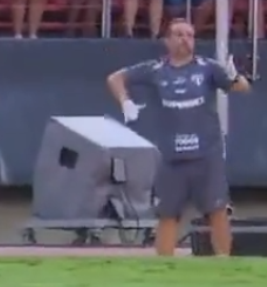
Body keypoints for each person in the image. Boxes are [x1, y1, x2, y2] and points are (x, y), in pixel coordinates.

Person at [106, 19, 250, 257]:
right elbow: (115, 78)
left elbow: (242, 87)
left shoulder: (207, 68)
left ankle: (224, 262)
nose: (185, 39)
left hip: (207, 155)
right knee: (167, 215)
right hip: (172, 157)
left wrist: (236, 76)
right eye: (179, 34)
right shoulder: (156, 70)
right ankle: (165, 265)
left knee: (218, 211)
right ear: (167, 40)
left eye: (190, 35)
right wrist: (125, 101)